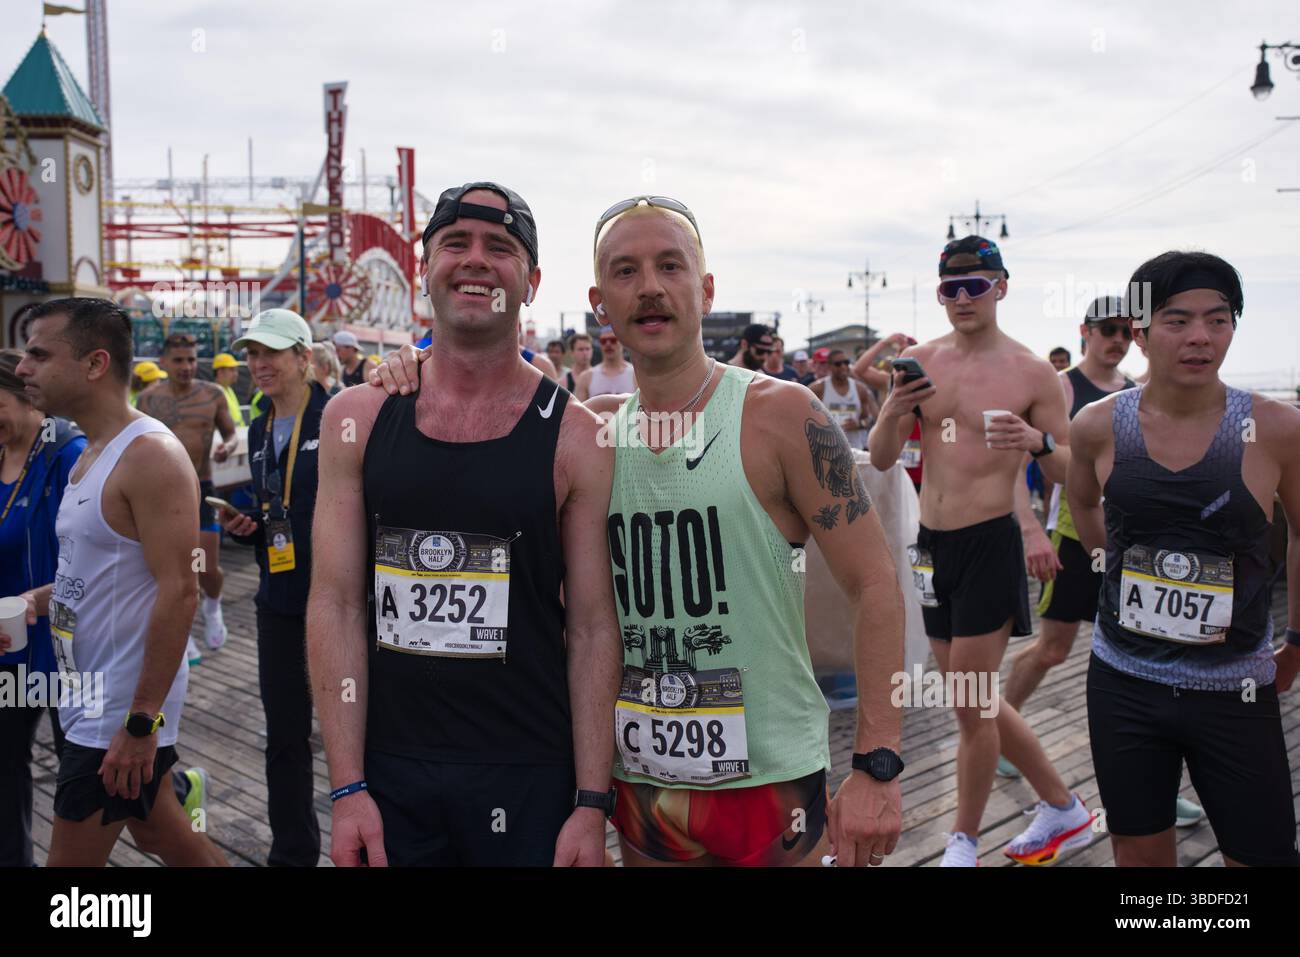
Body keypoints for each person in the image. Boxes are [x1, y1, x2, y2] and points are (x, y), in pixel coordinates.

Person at [376, 194, 906, 868]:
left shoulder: (781, 415)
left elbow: (876, 584)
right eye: (625, 272)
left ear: (705, 289)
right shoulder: (587, 431)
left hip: (772, 784)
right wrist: (403, 369)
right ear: (600, 303)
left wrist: (878, 764)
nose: (650, 287)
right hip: (643, 784)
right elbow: (475, 416)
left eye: (670, 266)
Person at [310, 181, 621, 867]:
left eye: (500, 248)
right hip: (390, 773)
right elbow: (333, 605)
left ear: (531, 281)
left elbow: (595, 624)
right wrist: (346, 786)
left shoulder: (577, 437)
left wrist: (592, 802)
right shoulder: (355, 419)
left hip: (530, 770)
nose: (476, 260)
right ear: (426, 267)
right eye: (456, 243)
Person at [1070, 251, 1300, 868]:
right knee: (1139, 853)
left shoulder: (1275, 427)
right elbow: (1083, 504)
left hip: (1235, 687)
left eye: (1218, 319)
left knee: (1264, 855)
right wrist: (1114, 568)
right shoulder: (1096, 425)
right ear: (1141, 332)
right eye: (1177, 320)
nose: (1200, 336)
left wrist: (1298, 638)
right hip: (1123, 678)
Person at [867, 235, 1092, 867]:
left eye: (976, 285)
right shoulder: (921, 361)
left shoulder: (1031, 372)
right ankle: (1063, 807)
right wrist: (893, 408)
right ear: (939, 295)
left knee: (969, 699)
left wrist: (1037, 439)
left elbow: (1071, 471)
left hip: (990, 541)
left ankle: (962, 841)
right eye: (950, 288)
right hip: (931, 547)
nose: (963, 298)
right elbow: (884, 459)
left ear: (1001, 287)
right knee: (973, 697)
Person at [12, 297, 227, 867]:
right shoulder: (90, 454)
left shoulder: (149, 454)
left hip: (118, 709)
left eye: (38, 353)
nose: (22, 369)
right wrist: (32, 602)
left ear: (94, 364)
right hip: (84, 692)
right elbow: (91, 575)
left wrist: (139, 725)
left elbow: (180, 590)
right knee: (163, 838)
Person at [215, 309, 326, 867]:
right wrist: (249, 528)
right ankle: (293, 854)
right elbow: (274, 510)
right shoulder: (258, 427)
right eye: (252, 354)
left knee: (369, 735)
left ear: (304, 358)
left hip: (338, 606)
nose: (258, 365)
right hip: (278, 601)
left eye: (271, 354)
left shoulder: (338, 417)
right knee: (284, 737)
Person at [0, 349, 84, 866]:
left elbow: (99, 561)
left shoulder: (67, 453)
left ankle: (172, 791)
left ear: (29, 398)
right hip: (9, 646)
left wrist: (38, 597)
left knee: (85, 776)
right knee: (5, 766)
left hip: (66, 644)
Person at [136, 334, 238, 655]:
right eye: (179, 360)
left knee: (206, 568)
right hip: (161, 494)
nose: (187, 366)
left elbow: (232, 433)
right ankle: (183, 633)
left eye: (192, 359)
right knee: (171, 571)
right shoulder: (149, 399)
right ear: (164, 362)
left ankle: (213, 605)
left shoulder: (213, 394)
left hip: (202, 487)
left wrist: (228, 448)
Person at [811, 349, 878, 450]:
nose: (843, 366)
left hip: (854, 450)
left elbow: (869, 419)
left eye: (846, 362)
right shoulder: (818, 389)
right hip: (826, 450)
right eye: (838, 364)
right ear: (829, 366)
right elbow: (806, 419)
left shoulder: (860, 389)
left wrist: (858, 424)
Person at [575, 329, 635, 400]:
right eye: (603, 341)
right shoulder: (586, 378)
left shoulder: (636, 375)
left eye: (613, 340)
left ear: (622, 342)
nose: (608, 344)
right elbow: (579, 410)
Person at [212, 353, 246, 427]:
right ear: (219, 372)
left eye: (236, 370)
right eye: (231, 370)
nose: (236, 374)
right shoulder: (213, 394)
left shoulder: (229, 390)